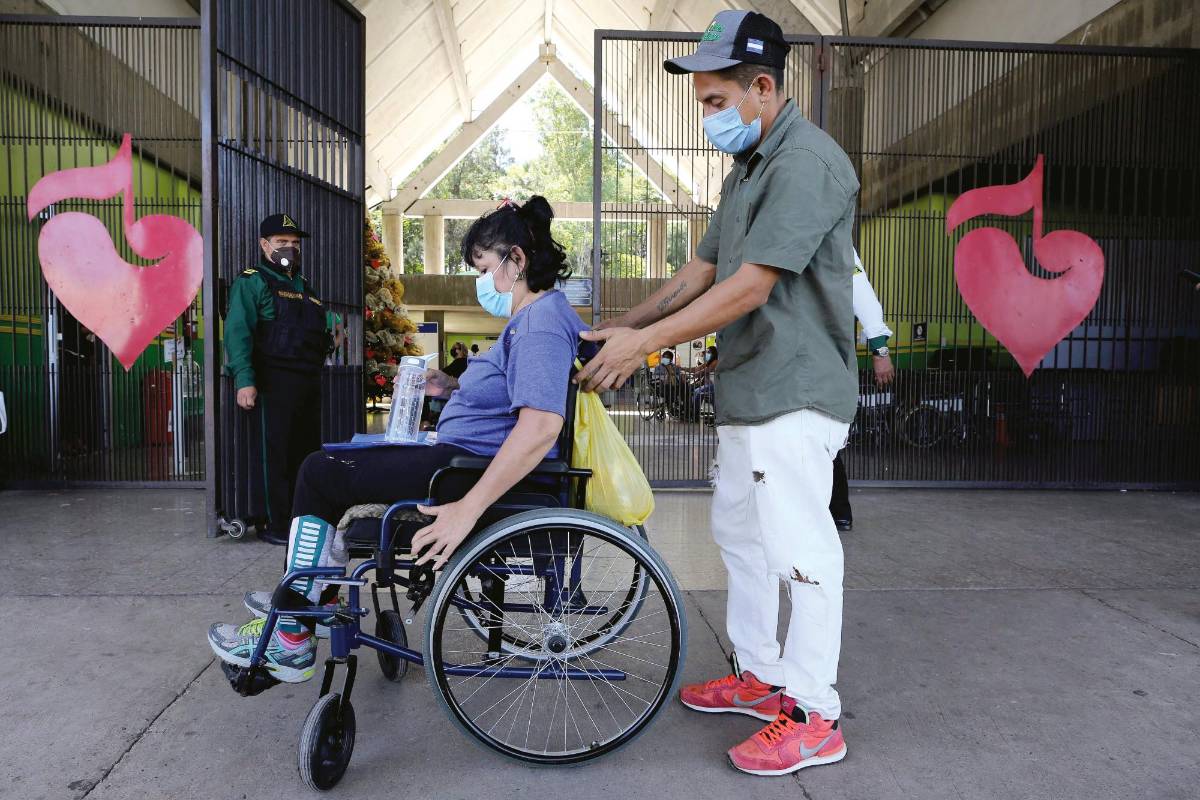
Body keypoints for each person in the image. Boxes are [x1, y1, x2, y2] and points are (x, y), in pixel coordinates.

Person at [575, 10, 857, 775]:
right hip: (748, 391)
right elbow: (700, 273)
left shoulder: (807, 164)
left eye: (713, 101)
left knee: (803, 555)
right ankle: (763, 676)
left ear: (762, 87)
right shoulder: (747, 172)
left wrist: (647, 345)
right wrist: (619, 326)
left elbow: (751, 287)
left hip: (794, 394)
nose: (706, 117)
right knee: (742, 540)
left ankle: (815, 713)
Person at [207, 196, 587, 683]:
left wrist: (467, 508)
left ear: (517, 260)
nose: (482, 282)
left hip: (465, 472)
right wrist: (452, 388)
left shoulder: (538, 325)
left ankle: (295, 630)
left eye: (485, 267)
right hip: (460, 458)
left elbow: (539, 428)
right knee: (343, 454)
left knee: (319, 472)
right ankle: (305, 596)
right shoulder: (537, 318)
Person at [224, 214, 341, 545]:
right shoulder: (253, 281)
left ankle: (300, 523)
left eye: (294, 243)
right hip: (272, 381)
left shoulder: (306, 287)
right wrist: (244, 380)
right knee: (274, 455)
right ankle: (273, 524)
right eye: (281, 242)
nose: (289, 248)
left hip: (307, 383)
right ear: (264, 245)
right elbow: (238, 332)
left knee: (304, 454)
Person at [830, 250, 894, 532]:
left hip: (826, 356)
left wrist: (880, 349)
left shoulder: (837, 239)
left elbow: (861, 292)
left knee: (827, 441)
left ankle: (838, 510)